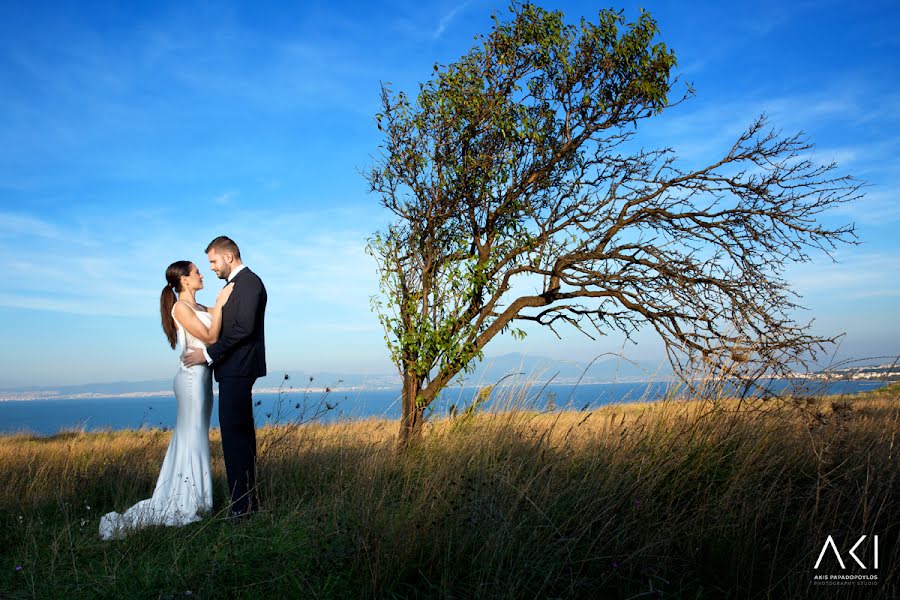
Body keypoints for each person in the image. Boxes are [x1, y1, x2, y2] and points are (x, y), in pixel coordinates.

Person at [99, 261, 233, 540]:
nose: (201, 274)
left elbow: (222, 327)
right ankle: (192, 501)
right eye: (196, 271)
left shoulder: (200, 307)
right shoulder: (180, 308)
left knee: (194, 436)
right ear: (184, 279)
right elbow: (210, 335)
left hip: (202, 377)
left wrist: (224, 302)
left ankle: (193, 496)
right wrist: (220, 305)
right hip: (191, 379)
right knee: (193, 436)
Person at [182, 236, 266, 521]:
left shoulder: (249, 283)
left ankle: (241, 510)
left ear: (229, 257)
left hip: (238, 369)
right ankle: (247, 503)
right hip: (233, 370)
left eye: (214, 261)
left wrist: (208, 355)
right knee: (239, 439)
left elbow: (243, 329)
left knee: (235, 440)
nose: (213, 268)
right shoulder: (233, 286)